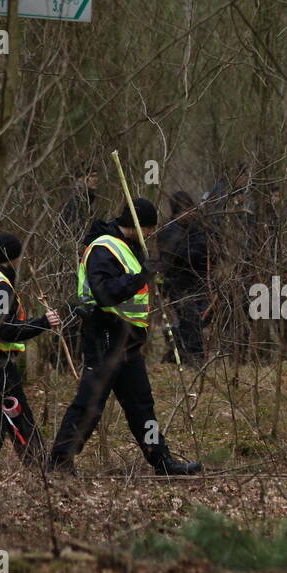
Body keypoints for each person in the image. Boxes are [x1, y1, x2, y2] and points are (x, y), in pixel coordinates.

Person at [47, 199, 201, 476]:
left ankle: (161, 459)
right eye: (150, 227)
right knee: (90, 403)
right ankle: (60, 460)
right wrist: (141, 278)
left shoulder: (130, 247)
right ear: (136, 225)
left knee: (142, 405)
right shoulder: (104, 248)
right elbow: (104, 292)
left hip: (128, 340)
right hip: (104, 334)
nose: (152, 233)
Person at [0, 233, 61, 462]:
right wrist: (43, 323)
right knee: (18, 415)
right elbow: (4, 329)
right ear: (12, 257)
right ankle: (38, 465)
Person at [157, 191, 209, 364]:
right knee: (190, 320)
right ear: (177, 213)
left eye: (191, 209)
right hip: (178, 285)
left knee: (200, 319)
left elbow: (203, 250)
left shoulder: (197, 228)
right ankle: (191, 356)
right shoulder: (169, 231)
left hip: (198, 282)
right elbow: (169, 259)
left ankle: (178, 348)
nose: (190, 213)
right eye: (185, 210)